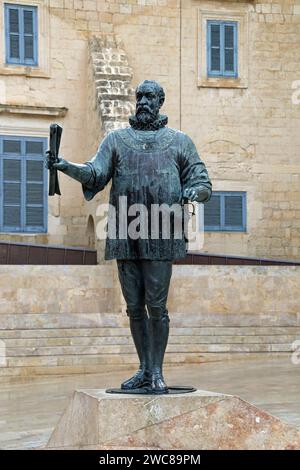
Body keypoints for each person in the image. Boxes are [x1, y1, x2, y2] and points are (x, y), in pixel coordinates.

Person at [46, 80, 212, 394]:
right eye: (139, 96)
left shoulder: (180, 142)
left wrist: (193, 191)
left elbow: (202, 180)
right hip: (124, 232)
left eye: (149, 96)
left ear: (160, 101)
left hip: (162, 233)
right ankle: (144, 370)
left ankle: (157, 373)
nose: (143, 101)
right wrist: (65, 166)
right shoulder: (116, 140)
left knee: (157, 307)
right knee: (134, 307)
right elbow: (95, 173)